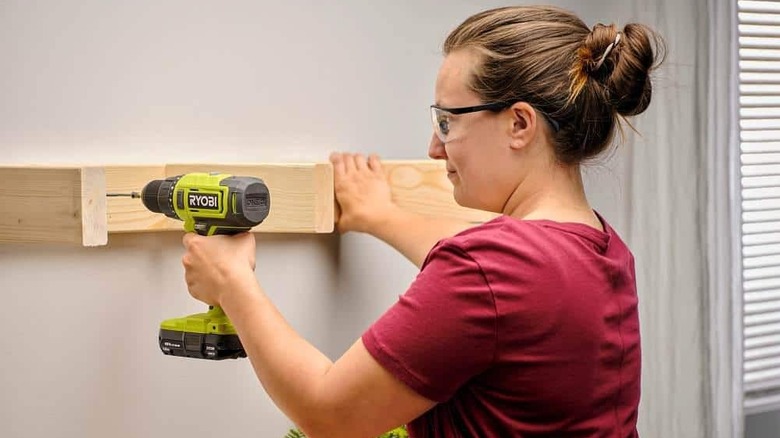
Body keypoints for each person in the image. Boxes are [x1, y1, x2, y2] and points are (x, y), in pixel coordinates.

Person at [180, 5, 664, 438]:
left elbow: (330, 416)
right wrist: (381, 216)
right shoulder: (600, 248)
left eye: (447, 122)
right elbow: (486, 279)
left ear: (520, 124)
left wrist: (231, 283)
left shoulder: (492, 269)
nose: (434, 148)